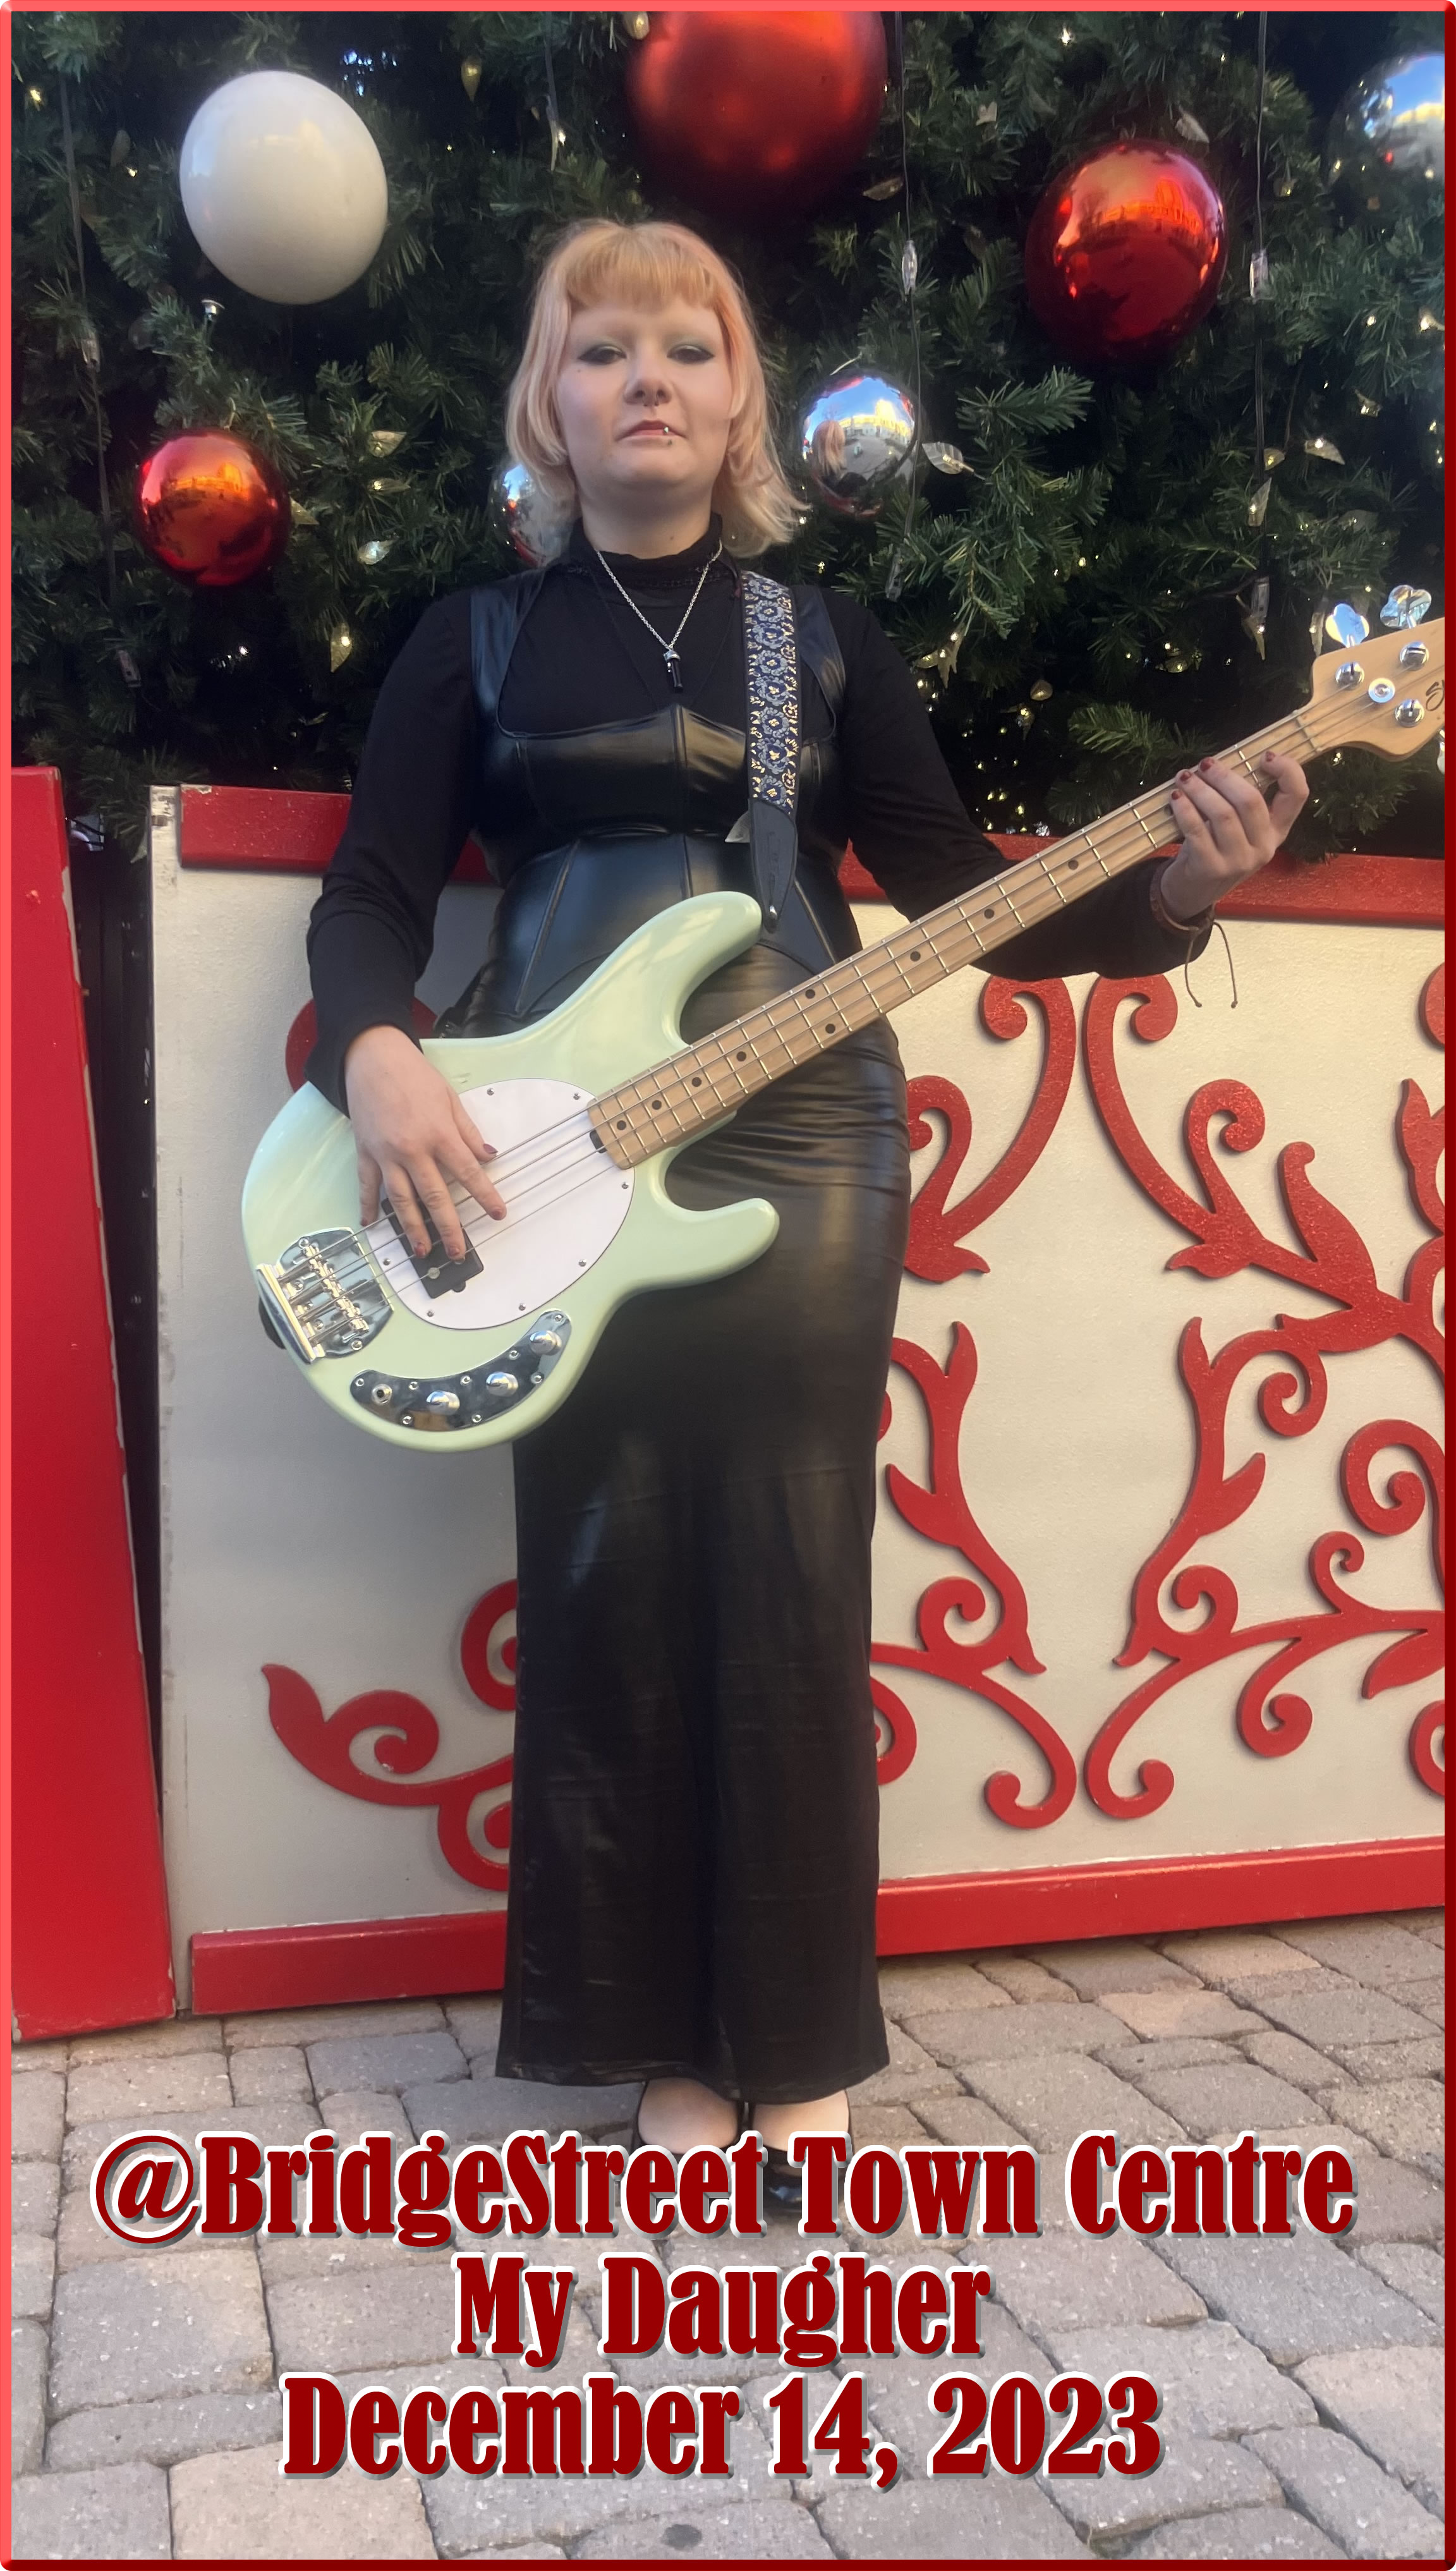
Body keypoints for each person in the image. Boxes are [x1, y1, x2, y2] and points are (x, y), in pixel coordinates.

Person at [305, 219, 1308, 2187]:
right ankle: (656, 2035)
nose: (649, 378)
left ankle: (796, 2034)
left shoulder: (819, 643)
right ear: (553, 398)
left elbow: (961, 896)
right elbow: (372, 898)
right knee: (600, 1574)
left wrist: (1182, 887)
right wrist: (378, 1049)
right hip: (553, 1151)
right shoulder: (473, 636)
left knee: (786, 1574)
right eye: (605, 351)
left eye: (690, 345)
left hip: (804, 1140)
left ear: (742, 397)